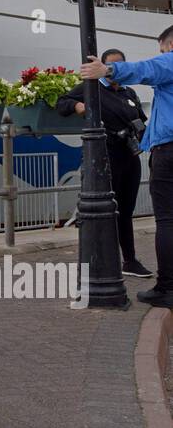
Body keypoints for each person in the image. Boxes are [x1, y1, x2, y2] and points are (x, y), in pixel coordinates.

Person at [80, 24, 173, 307]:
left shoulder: (170, 59)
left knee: (168, 220)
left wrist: (108, 71)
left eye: (163, 49)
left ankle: (168, 287)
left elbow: (146, 70)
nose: (162, 54)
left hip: (170, 150)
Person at [57, 48, 150, 278]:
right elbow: (62, 102)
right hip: (106, 158)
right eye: (110, 68)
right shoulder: (92, 88)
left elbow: (140, 122)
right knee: (107, 211)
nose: (114, 72)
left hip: (130, 156)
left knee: (126, 211)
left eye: (119, 67)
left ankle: (129, 260)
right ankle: (102, 261)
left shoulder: (129, 93)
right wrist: (79, 106)